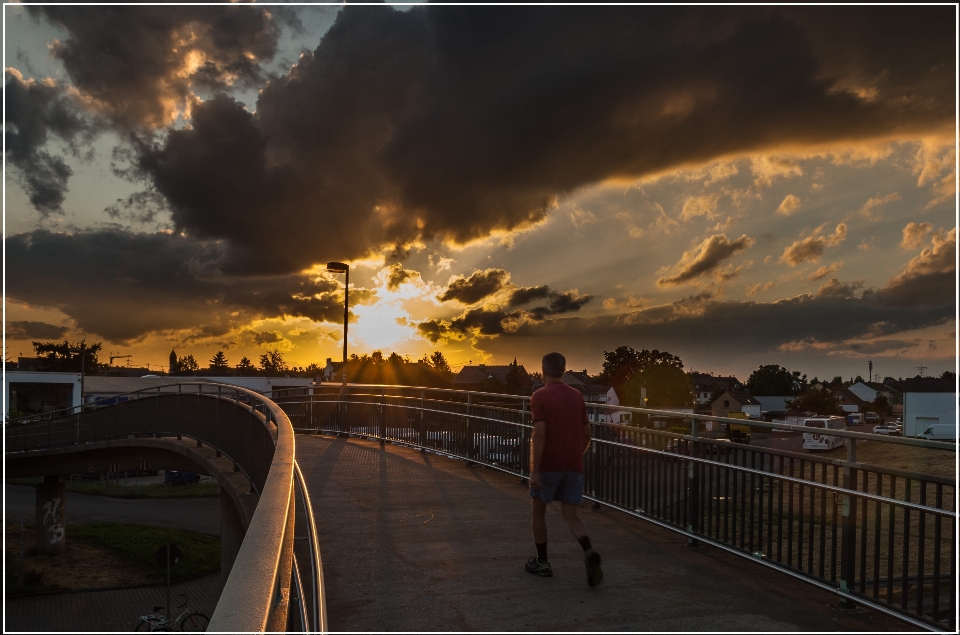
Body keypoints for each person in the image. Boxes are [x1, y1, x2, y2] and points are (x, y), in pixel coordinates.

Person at [525, 352, 602, 587]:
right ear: (564, 370)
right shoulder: (577, 396)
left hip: (548, 464)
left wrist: (535, 470)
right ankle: (588, 551)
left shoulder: (540, 396)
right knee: (572, 515)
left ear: (542, 370)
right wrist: (577, 456)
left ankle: (543, 562)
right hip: (573, 465)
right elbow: (587, 434)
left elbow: (540, 435)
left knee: (538, 511)